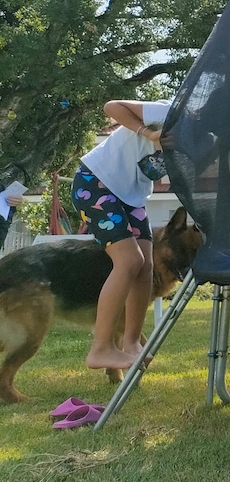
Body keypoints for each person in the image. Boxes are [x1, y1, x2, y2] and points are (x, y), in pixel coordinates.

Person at [71, 99, 171, 372]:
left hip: (132, 197)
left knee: (146, 265)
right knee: (129, 261)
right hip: (95, 183)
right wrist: (146, 132)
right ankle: (100, 348)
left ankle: (131, 343)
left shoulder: (206, 138)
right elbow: (111, 107)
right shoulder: (170, 112)